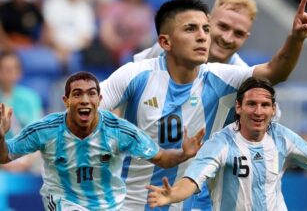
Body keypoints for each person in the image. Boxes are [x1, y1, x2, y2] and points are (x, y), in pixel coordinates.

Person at [100, 0, 307, 210]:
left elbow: (263, 134)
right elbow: (127, 97)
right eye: (221, 27)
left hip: (204, 188)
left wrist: (296, 39)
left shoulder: (242, 82)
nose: (226, 37)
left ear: (246, 37)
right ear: (209, 19)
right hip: (137, 186)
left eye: (238, 33)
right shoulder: (155, 58)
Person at [146, 77, 307, 211]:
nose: (258, 111)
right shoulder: (221, 143)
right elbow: (192, 180)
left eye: (265, 105)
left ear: (273, 109)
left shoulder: (281, 136)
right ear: (239, 108)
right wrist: (172, 195)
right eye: (251, 104)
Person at [0, 71, 205, 210]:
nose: (85, 100)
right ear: (66, 101)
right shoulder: (45, 129)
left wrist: (184, 153)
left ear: (99, 99)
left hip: (111, 204)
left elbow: (161, 157)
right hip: (64, 200)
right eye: (77, 94)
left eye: (91, 94)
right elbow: (5, 155)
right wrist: (1, 136)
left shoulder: (119, 130)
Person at [0, 51, 43, 172]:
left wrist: (25, 161)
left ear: (20, 71)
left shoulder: (30, 98)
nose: (10, 73)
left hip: (26, 158)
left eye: (14, 68)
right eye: (5, 69)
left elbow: (37, 135)